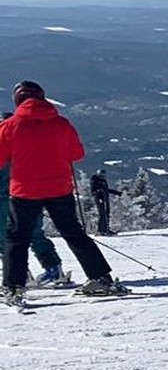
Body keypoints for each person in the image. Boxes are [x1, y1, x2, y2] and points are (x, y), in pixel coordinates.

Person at [0, 82, 129, 306]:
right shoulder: (61, 124)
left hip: (25, 191)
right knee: (74, 233)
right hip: (59, 189)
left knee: (17, 238)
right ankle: (101, 278)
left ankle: (13, 288)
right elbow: (76, 154)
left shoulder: (10, 125)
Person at [0, 112, 67, 286]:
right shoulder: (27, 149)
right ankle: (53, 268)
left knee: (6, 238)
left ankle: (18, 274)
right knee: (35, 234)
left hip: (7, 200)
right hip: (30, 197)